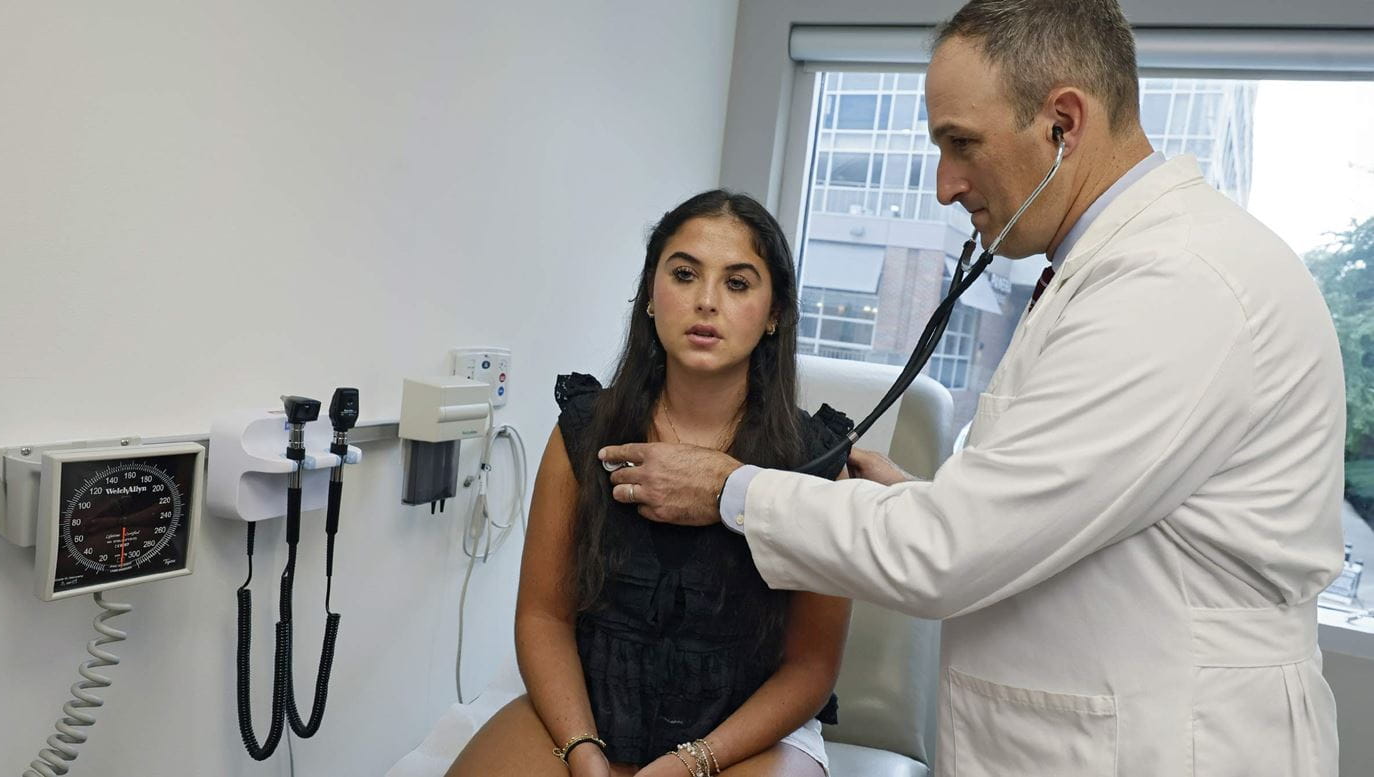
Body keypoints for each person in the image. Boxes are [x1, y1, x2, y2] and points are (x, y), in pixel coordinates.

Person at [598, 2, 1346, 775]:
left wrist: (733, 491)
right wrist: (920, 501)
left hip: (1165, 741)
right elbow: (1053, 513)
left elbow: (951, 552)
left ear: (1063, 122)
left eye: (962, 144)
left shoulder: (1179, 284)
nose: (945, 186)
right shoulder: (1111, 273)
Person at [447, 190, 855, 777]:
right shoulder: (584, 434)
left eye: (738, 284)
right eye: (685, 274)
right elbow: (543, 617)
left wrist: (692, 762)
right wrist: (584, 752)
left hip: (746, 735)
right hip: (585, 712)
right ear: (649, 297)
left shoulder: (815, 463)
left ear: (774, 314)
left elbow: (812, 666)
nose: (707, 302)